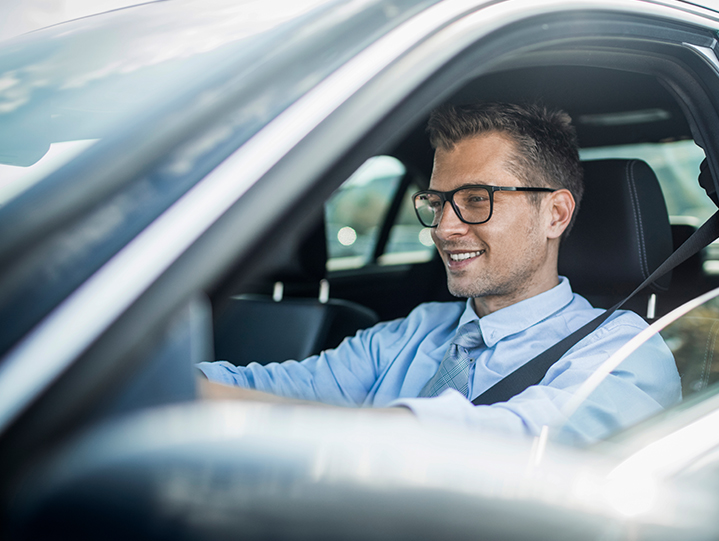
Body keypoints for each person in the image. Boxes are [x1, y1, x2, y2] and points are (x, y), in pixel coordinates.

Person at [198, 102, 680, 444]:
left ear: (554, 214)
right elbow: (263, 385)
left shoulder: (624, 354)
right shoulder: (413, 331)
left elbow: (514, 449)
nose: (444, 229)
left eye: (476, 200)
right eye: (437, 202)